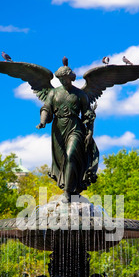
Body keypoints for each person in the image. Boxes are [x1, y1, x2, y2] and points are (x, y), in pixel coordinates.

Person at [36, 65, 99, 202]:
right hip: (58, 130)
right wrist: (42, 121)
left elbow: (88, 114)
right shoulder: (53, 93)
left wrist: (89, 133)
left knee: (70, 156)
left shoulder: (80, 94)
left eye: (64, 79)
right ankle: (74, 189)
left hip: (75, 127)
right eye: (60, 79)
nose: (63, 82)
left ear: (70, 78)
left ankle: (67, 192)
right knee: (61, 161)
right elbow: (46, 108)